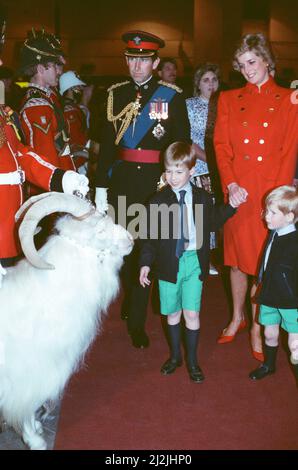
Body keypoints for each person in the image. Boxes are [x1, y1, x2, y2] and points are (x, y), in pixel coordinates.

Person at [95, 30, 190, 348]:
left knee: (149, 249)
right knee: (121, 247)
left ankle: (137, 320)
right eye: (132, 59)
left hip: (155, 183)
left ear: (155, 61)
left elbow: (181, 145)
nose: (137, 66)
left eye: (143, 60)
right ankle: (130, 296)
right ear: (126, 60)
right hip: (122, 181)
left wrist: (173, 178)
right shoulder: (113, 94)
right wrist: (100, 188)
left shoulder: (172, 96)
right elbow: (107, 146)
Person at [214, 33, 298, 361]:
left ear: (267, 61)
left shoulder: (289, 99)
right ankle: (236, 316)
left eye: (252, 62)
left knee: (262, 264)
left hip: (270, 197)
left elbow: (290, 148)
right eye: (241, 64)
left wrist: (278, 201)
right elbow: (221, 147)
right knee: (236, 262)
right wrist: (231, 185)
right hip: (240, 194)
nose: (246, 69)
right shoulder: (228, 99)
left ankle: (257, 326)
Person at [0, 10, 89, 281]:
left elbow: (22, 155)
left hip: (7, 218)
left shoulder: (5, 111)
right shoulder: (36, 105)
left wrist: (62, 178)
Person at [139, 142, 239, 382]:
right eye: (168, 171)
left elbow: (212, 222)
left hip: (194, 261)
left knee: (191, 314)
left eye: (179, 171)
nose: (172, 177)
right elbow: (150, 237)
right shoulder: (158, 201)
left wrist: (231, 207)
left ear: (192, 171)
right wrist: (144, 263)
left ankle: (193, 361)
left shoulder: (203, 198)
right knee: (172, 314)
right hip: (168, 263)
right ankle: (175, 356)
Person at [249, 186, 298, 383]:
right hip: (269, 295)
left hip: (290, 300)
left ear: (289, 216)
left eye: (272, 212)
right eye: (266, 211)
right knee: (269, 334)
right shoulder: (275, 233)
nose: (266, 216)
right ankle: (268, 365)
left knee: (295, 346)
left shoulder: (294, 241)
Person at [19, 29, 75, 197]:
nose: (60, 71)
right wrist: (61, 188)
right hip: (50, 191)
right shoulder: (37, 106)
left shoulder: (48, 99)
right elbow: (46, 156)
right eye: (56, 66)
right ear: (41, 69)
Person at [186, 63, 221, 275]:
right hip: (197, 166)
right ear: (198, 83)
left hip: (218, 168)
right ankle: (193, 258)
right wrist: (211, 161)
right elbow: (188, 140)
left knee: (210, 214)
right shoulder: (189, 105)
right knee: (195, 213)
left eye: (214, 79)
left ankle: (206, 259)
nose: (211, 84)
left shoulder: (224, 105)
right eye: (206, 80)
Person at [59, 70, 89, 174]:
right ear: (71, 89)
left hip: (78, 161)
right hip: (77, 163)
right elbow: (75, 142)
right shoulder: (69, 111)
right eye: (79, 87)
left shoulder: (72, 107)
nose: (82, 90)